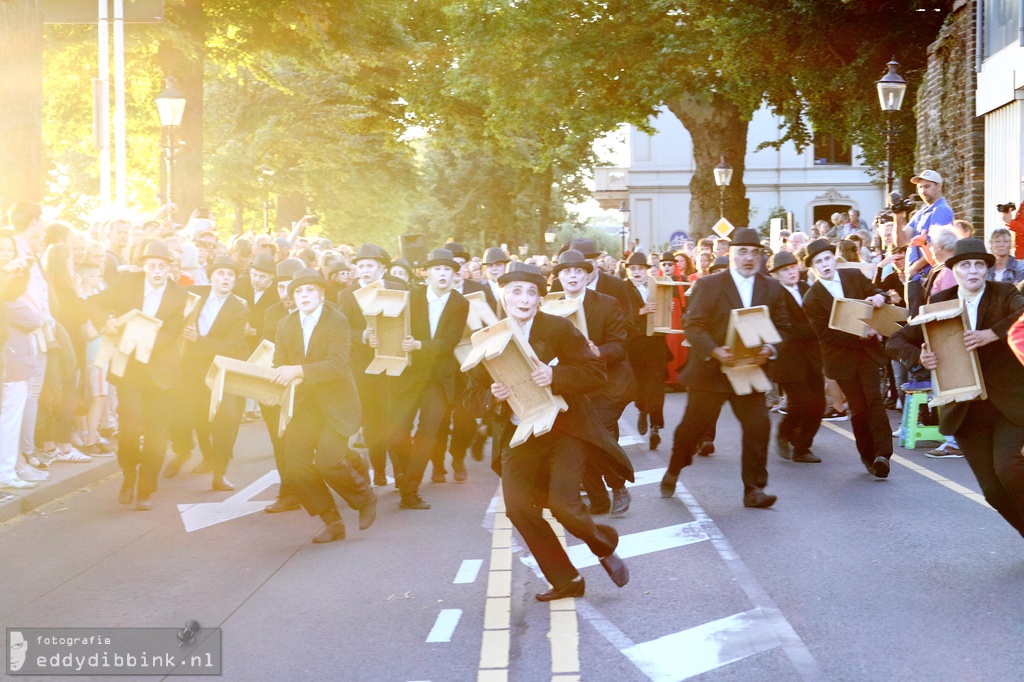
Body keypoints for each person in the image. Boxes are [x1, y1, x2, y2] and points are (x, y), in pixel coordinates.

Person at [463, 263, 633, 601]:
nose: (523, 299)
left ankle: (602, 548)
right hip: (520, 435)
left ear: (540, 298)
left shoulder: (558, 329)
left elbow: (596, 373)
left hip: (565, 430)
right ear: (503, 295)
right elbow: (470, 397)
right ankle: (566, 580)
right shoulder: (489, 337)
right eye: (516, 291)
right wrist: (490, 396)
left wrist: (556, 377)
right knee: (517, 507)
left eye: (531, 292)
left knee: (564, 505)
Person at [890, 238, 1024, 539]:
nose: (973, 271)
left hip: (1009, 404)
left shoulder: (1004, 293)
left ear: (987, 269)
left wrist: (992, 333)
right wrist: (919, 357)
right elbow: (895, 341)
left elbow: (1023, 315)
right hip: (966, 409)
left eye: (979, 265)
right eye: (966, 265)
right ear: (955, 270)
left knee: (1010, 469)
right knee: (991, 490)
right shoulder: (938, 303)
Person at [662, 228, 792, 507]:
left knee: (758, 426)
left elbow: (784, 327)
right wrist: (714, 350)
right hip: (711, 371)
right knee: (691, 429)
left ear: (761, 257)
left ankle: (754, 488)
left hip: (749, 370)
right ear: (730, 253)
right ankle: (674, 467)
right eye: (742, 252)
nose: (748, 258)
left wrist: (770, 349)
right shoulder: (710, 285)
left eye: (754, 253)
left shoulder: (771, 287)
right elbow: (693, 323)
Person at [271, 268, 377, 543]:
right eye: (298, 291)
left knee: (328, 463)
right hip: (306, 405)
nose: (304, 296)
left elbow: (338, 364)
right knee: (294, 467)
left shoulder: (336, 319)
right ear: (292, 297)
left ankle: (365, 497)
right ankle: (332, 521)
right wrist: (272, 384)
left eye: (309, 290)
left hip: (338, 404)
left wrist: (297, 369)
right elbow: (278, 363)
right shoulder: (286, 324)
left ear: (320, 294)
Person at [87, 240, 188, 510]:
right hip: (130, 369)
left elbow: (171, 333)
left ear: (170, 268)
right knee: (129, 429)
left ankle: (146, 490)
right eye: (152, 265)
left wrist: (142, 338)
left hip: (161, 373)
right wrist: (104, 321)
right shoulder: (127, 282)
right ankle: (129, 476)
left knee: (157, 434)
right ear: (144, 266)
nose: (156, 271)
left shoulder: (179, 296)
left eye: (162, 266)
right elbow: (95, 301)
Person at [374, 248, 468, 509]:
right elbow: (388, 326)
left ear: (454, 275)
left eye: (447, 269)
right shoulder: (411, 297)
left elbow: (449, 342)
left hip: (438, 378)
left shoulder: (460, 303)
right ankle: (404, 475)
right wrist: (375, 337)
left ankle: (410, 491)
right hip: (407, 375)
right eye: (437, 269)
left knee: (427, 433)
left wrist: (419, 346)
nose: (442, 274)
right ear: (426, 273)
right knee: (396, 433)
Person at [553, 249, 636, 515]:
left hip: (610, 384)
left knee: (596, 433)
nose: (573, 276)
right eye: (567, 272)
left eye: (578, 271)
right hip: (575, 385)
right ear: (559, 278)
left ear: (587, 275)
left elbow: (620, 346)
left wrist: (597, 350)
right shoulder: (549, 307)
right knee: (581, 437)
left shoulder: (607, 303)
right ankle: (599, 498)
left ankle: (618, 487)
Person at [801, 239, 893, 479]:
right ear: (813, 267)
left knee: (874, 399)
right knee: (859, 408)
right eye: (819, 261)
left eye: (827, 258)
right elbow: (826, 335)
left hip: (867, 353)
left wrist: (879, 297)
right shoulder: (812, 298)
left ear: (834, 258)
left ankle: (883, 454)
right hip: (841, 359)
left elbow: (875, 291)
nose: (825, 264)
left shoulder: (852, 275)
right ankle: (868, 455)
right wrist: (863, 331)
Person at [166, 256, 249, 490]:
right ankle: (183, 451)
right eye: (221, 274)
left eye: (230, 275)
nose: (225, 278)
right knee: (181, 416)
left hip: (219, 373)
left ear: (234, 281)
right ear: (211, 277)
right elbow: (169, 295)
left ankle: (219, 473)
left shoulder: (239, 309)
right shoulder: (194, 293)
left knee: (225, 421)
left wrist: (199, 341)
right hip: (188, 369)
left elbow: (235, 347)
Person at [338, 244, 402, 487]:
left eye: (370, 266)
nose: (365, 270)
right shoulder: (347, 294)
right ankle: (379, 471)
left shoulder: (396, 288)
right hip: (363, 369)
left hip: (393, 365)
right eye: (361, 266)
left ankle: (401, 475)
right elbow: (343, 328)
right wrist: (363, 336)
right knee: (372, 423)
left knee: (394, 422)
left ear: (382, 268)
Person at [767, 250, 824, 463]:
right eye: (785, 270)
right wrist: (817, 328)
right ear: (776, 275)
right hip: (788, 359)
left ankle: (802, 448)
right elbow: (787, 328)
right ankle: (784, 432)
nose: (791, 272)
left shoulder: (806, 288)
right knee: (800, 402)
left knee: (818, 404)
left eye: (793, 267)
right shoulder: (775, 295)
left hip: (812, 356)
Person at [623, 251, 672, 449]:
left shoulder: (656, 284)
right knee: (640, 387)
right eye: (633, 269)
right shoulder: (623, 288)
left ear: (646, 270)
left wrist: (666, 307)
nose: (636, 272)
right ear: (628, 271)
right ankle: (642, 410)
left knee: (657, 387)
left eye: (640, 269)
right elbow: (619, 315)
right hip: (634, 346)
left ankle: (656, 427)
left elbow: (663, 307)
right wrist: (642, 310)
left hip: (656, 343)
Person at [895, 169, 955, 315]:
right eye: (920, 187)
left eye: (927, 186)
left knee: (919, 325)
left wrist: (914, 268)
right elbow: (901, 240)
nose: (923, 191)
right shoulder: (922, 212)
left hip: (926, 277)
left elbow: (938, 247)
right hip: (917, 277)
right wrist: (898, 217)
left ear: (939, 186)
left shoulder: (941, 210)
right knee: (914, 323)